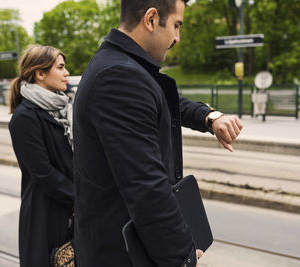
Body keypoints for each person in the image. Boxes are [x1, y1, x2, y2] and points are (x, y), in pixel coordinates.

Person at [73, 0, 243, 266]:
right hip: (122, 255)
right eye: (176, 25)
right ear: (151, 19)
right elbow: (147, 189)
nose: (177, 38)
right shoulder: (120, 77)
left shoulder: (118, 63)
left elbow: (162, 99)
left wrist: (209, 118)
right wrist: (183, 258)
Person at [8, 44, 75, 266]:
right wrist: (82, 198)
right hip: (45, 216)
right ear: (40, 73)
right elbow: (43, 173)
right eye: (61, 67)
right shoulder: (24, 117)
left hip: (71, 210)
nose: (67, 73)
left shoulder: (65, 110)